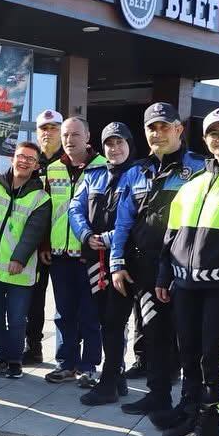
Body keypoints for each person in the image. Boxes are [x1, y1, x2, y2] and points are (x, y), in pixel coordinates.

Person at [109, 102, 206, 417]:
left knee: (190, 338)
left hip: (186, 267)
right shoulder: (136, 171)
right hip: (146, 269)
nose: (158, 133)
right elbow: (122, 223)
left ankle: (193, 401)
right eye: (152, 127)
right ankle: (158, 395)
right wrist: (117, 264)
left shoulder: (201, 168)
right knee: (154, 334)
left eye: (165, 126)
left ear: (179, 129)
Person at [154, 107, 219, 436]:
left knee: (214, 359)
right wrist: (164, 274)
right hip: (186, 285)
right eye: (214, 133)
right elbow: (172, 234)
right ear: (204, 139)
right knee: (188, 353)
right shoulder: (193, 183)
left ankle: (209, 426)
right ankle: (189, 412)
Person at [0, 141, 51, 379]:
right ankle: (0, 358)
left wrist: (19, 259)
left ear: (36, 166)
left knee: (16, 319)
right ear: (12, 158)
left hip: (18, 270)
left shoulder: (41, 197)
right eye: (21, 156)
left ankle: (14, 360)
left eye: (30, 159)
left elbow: (34, 232)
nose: (24, 161)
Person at [69, 122, 135, 405]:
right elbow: (75, 207)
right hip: (95, 260)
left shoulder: (140, 174)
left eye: (120, 142)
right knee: (103, 320)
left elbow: (137, 217)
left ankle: (109, 382)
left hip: (125, 261)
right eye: (109, 143)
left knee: (115, 321)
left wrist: (107, 238)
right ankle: (116, 378)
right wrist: (86, 235)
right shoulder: (92, 174)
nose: (115, 148)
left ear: (130, 144)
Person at [42, 118, 103, 386]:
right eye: (65, 135)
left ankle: (89, 366)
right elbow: (45, 211)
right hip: (59, 255)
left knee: (90, 314)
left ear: (88, 136)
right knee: (63, 313)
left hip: (90, 255)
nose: (69, 139)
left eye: (75, 134)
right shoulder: (53, 169)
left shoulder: (103, 167)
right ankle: (65, 363)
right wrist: (44, 244)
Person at [25, 109, 65, 363]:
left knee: (65, 303)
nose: (48, 133)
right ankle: (33, 347)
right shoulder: (30, 162)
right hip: (34, 245)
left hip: (63, 244)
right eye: (43, 128)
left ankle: (67, 355)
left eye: (53, 128)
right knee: (33, 299)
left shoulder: (70, 161)